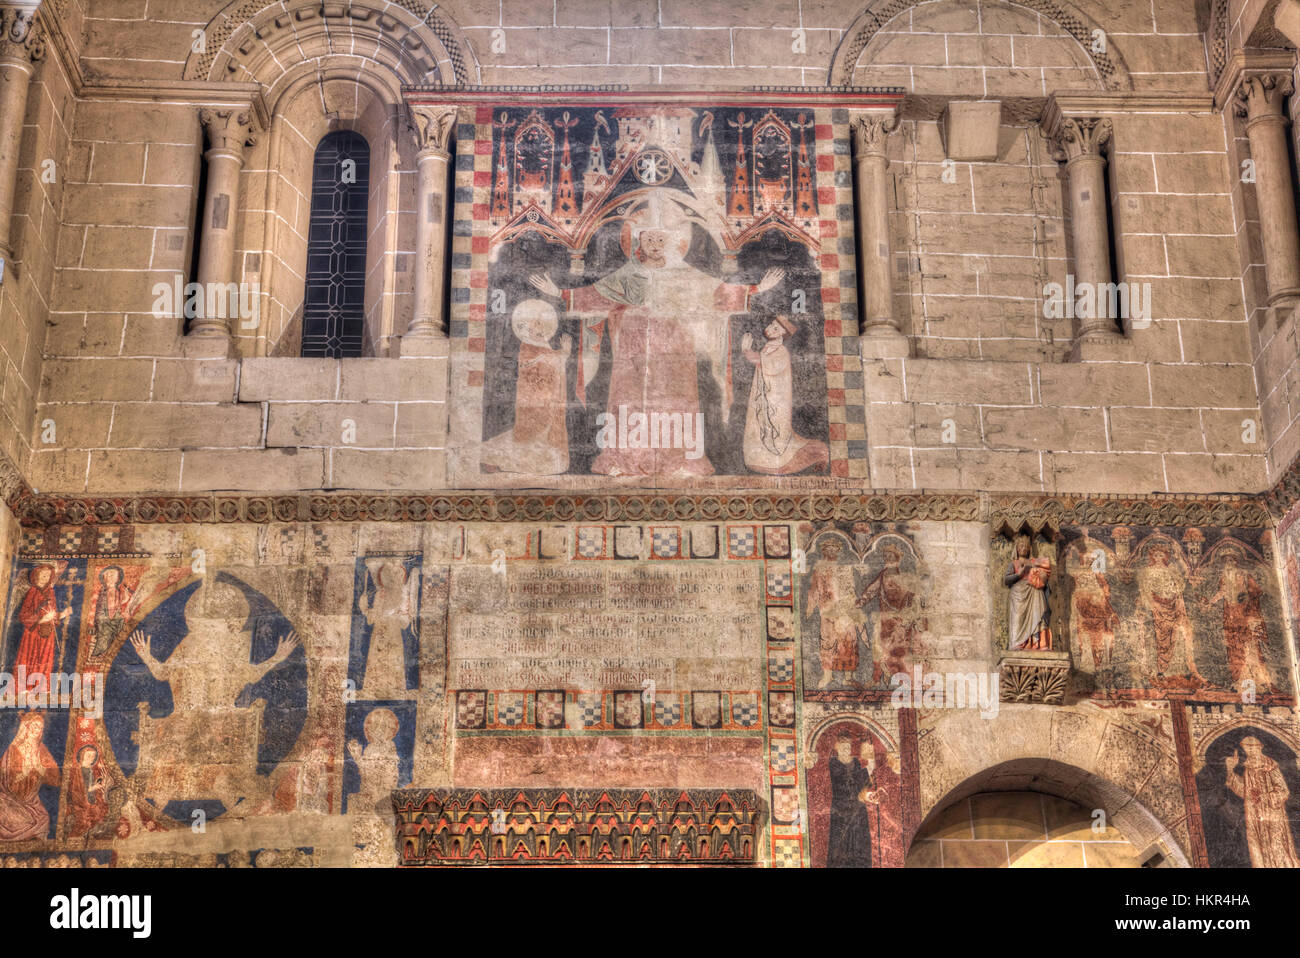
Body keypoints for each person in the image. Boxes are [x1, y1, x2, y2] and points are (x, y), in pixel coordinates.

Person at [528, 192, 783, 477]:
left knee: (677, 402)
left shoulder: (683, 273)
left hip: (675, 349)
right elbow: (597, 295)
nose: (655, 245)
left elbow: (714, 291)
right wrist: (560, 293)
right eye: (649, 239)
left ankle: (679, 462)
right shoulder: (628, 273)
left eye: (661, 239)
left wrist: (756, 289)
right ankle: (624, 460)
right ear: (638, 241)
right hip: (633, 349)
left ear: (672, 241)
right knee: (628, 400)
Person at [128, 582, 300, 813]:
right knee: (170, 755)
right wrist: (146, 656)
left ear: (230, 620)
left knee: (220, 762)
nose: (210, 623)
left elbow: (251, 674)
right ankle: (157, 803)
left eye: (217, 616)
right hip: (184, 718)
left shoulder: (233, 647)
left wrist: (278, 657)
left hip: (221, 720)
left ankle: (232, 802)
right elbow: (162, 673)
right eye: (205, 616)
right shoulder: (189, 643)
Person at [481, 299, 571, 475]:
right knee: (530, 435)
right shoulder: (527, 345)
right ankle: (491, 456)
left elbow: (551, 363)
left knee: (541, 436)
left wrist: (562, 355)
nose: (540, 327)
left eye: (541, 323)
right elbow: (536, 363)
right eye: (536, 323)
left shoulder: (543, 345)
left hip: (548, 398)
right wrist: (563, 354)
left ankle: (495, 456)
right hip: (533, 399)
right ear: (529, 326)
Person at [739, 316, 829, 475]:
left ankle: (810, 453)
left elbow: (764, 364)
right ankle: (758, 459)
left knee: (774, 432)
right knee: (759, 426)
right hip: (763, 396)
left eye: (776, 328)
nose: (770, 328)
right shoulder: (769, 348)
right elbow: (762, 362)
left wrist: (747, 351)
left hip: (775, 401)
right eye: (771, 324)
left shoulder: (781, 351)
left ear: (782, 334)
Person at [1224, 736, 1300, 867]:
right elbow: (1244, 791)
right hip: (1253, 814)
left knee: (1277, 848)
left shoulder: (1270, 766)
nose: (1250, 751)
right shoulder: (1248, 768)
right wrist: (1230, 769)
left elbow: (1283, 790)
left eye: (1253, 747)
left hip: (1272, 814)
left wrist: (1264, 797)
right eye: (1247, 748)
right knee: (1257, 847)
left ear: (1260, 747)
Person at [1205, 554, 1274, 694]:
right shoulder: (1224, 577)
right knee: (1234, 646)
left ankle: (1258, 681)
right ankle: (1240, 680)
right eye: (1226, 561)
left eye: (1230, 560)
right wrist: (1210, 603)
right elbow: (1222, 592)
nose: (1228, 563)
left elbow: (1256, 591)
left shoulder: (1243, 574)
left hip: (1245, 612)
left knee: (1250, 645)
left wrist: (1245, 596)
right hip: (1230, 614)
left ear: (1236, 562)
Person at [1137, 544, 1204, 682]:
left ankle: (1177, 669)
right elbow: (1145, 590)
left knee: (1177, 635)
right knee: (1161, 637)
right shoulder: (1147, 571)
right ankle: (1160, 670)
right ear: (1152, 557)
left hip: (1173, 605)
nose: (1159, 558)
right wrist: (1152, 603)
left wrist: (1173, 593)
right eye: (1156, 555)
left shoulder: (1171, 569)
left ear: (1165, 556)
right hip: (1157, 607)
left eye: (1161, 555)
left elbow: (1180, 585)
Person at [860, 545, 925, 684]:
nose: (888, 558)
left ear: (897, 558)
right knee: (881, 647)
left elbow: (914, 596)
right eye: (886, 555)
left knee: (900, 649)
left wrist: (912, 612)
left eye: (891, 555)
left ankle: (902, 678)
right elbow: (871, 591)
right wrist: (859, 602)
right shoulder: (882, 575)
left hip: (901, 621)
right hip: (885, 620)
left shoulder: (905, 577)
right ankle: (881, 676)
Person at [806, 539, 865, 689]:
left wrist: (851, 607)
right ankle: (827, 675)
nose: (831, 552)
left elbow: (851, 590)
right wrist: (810, 608)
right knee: (827, 643)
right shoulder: (819, 570)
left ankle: (848, 677)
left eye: (834, 549)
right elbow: (814, 590)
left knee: (848, 642)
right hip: (827, 613)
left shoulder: (844, 569)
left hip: (845, 611)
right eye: (828, 549)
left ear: (838, 552)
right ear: (823, 552)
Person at [358, 560, 417, 700]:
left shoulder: (400, 594)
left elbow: (404, 622)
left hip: (392, 631)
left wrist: (406, 612)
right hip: (380, 631)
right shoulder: (381, 594)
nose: (392, 578)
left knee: (393, 658)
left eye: (394, 575)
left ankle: (395, 689)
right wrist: (365, 608)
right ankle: (374, 688)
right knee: (377, 658)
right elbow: (373, 617)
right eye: (389, 575)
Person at [0, 712, 60, 842]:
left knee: (43, 819)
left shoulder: (42, 750)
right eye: (34, 726)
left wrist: (41, 770)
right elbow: (7, 783)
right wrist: (24, 773)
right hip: (10, 801)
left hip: (33, 803)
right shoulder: (13, 750)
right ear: (25, 727)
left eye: (40, 727)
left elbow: (56, 780)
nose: (37, 730)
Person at [13, 565, 70, 692]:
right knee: (31, 657)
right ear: (36, 575)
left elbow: (52, 613)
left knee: (45, 658)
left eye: (48, 575)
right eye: (43, 575)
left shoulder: (51, 592)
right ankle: (25, 687)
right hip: (33, 632)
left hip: (47, 632)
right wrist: (41, 619)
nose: (46, 578)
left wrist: (62, 614)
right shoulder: (32, 592)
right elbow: (23, 615)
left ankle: (41, 687)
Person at [826, 735, 879, 867]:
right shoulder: (834, 763)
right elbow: (846, 782)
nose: (846, 750)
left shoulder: (855, 762)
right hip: (841, 810)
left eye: (848, 747)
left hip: (857, 810)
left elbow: (859, 787)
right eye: (843, 747)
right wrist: (868, 769)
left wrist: (867, 794)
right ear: (837, 747)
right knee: (841, 846)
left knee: (859, 844)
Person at [1004, 535, 1051, 650]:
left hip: (1035, 590)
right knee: (1018, 618)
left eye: (1026, 546)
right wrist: (1019, 574)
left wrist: (1043, 576)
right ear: (1017, 548)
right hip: (1019, 594)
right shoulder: (1013, 563)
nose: (1024, 548)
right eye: (1021, 546)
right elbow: (1006, 579)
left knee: (1039, 613)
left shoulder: (1035, 562)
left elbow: (1045, 575)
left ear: (1029, 549)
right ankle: (1018, 643)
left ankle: (1039, 643)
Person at [88, 565, 136, 659]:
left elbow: (121, 602)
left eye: (113, 574)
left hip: (116, 617)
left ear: (118, 578)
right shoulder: (102, 591)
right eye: (109, 574)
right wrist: (93, 622)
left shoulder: (118, 591)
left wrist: (126, 596)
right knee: (104, 634)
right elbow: (95, 607)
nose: (111, 576)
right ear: (104, 577)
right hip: (104, 617)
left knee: (120, 629)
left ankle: (116, 654)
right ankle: (99, 654)